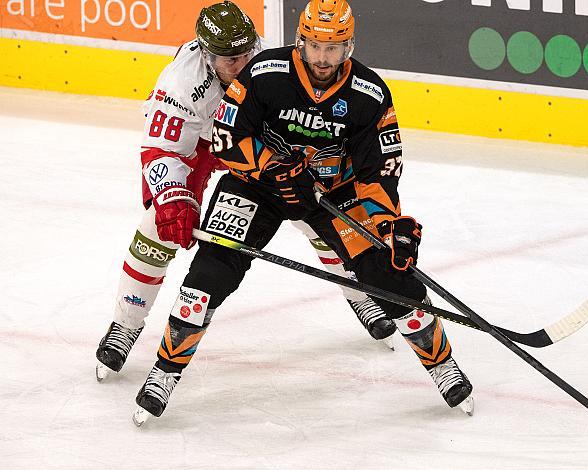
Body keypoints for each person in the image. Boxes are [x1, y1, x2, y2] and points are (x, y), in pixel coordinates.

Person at [131, 0, 473, 425]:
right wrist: (269, 166)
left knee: (387, 274)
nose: (323, 58)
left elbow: (379, 174)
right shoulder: (264, 72)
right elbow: (225, 136)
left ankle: (442, 366)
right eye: (315, 46)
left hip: (333, 192)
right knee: (209, 274)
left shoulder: (371, 94)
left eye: (333, 48)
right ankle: (165, 371)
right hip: (259, 187)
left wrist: (387, 226)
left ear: (349, 45)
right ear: (301, 41)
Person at [95, 0, 395, 383]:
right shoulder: (181, 81)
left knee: (320, 214)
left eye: (244, 53)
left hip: (257, 145)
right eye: (227, 59)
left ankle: (359, 294)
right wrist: (173, 197)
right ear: (205, 54)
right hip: (202, 148)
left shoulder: (268, 58)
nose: (239, 65)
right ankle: (126, 324)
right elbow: (162, 149)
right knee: (157, 228)